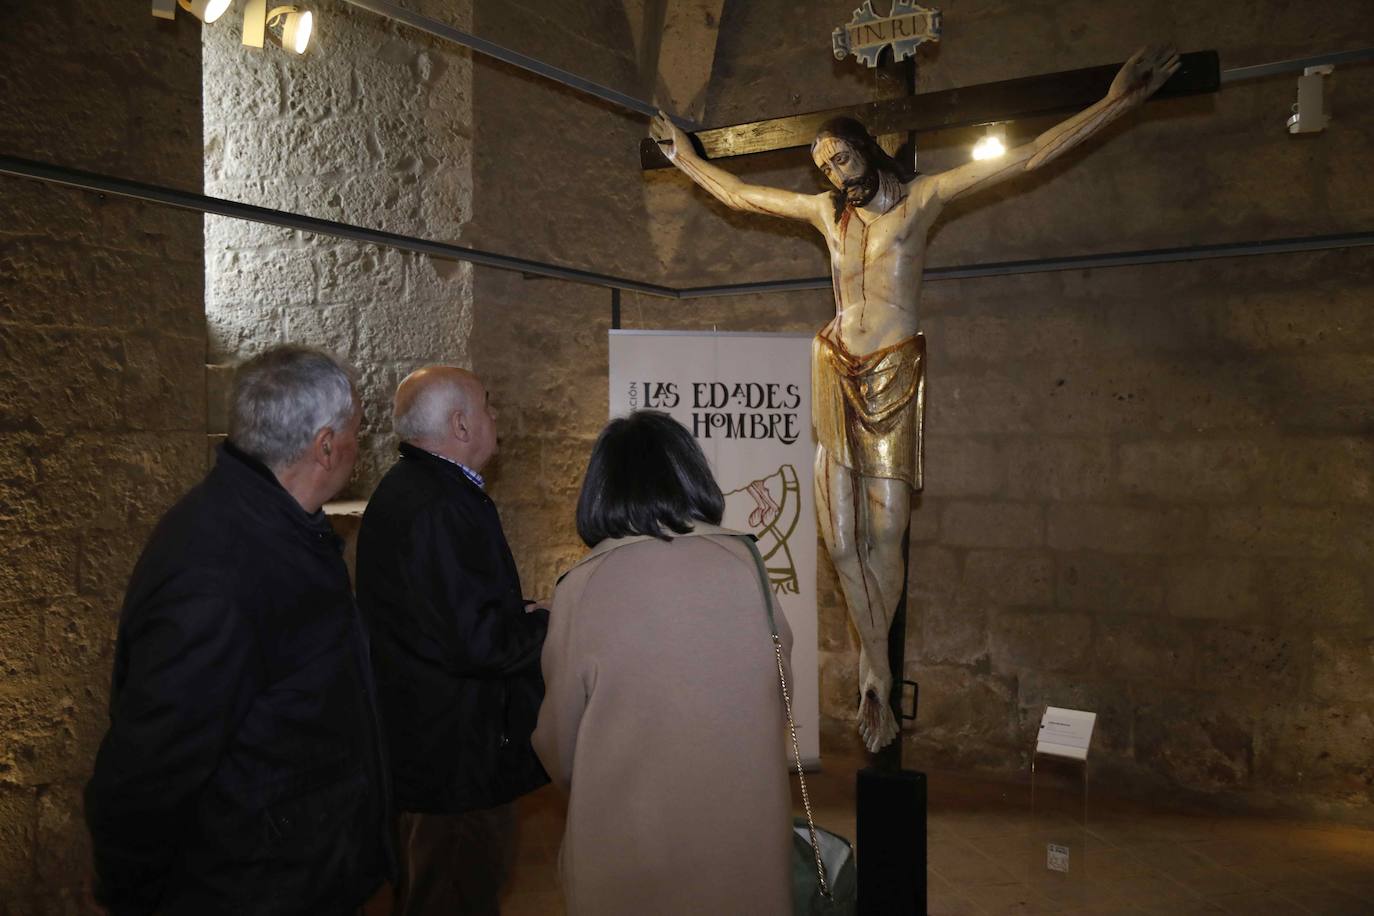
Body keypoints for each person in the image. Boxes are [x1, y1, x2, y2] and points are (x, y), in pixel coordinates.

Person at [651, 46, 1181, 751]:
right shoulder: (824, 215)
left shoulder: (922, 202)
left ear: (866, 150)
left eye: (840, 160)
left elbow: (1023, 160)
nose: (833, 176)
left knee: (888, 529)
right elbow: (745, 197)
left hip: (895, 373)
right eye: (824, 168)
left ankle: (875, 667)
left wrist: (1116, 103)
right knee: (840, 541)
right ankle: (879, 669)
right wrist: (685, 159)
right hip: (835, 365)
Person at [84, 345, 391, 915]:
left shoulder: (278, 525)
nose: (360, 444)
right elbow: (149, 770)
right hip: (250, 887)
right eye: (356, 430)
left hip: (298, 872)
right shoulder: (219, 570)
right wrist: (127, 896)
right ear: (325, 446)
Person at [533, 410, 794, 915]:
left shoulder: (582, 587)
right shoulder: (749, 566)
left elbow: (560, 747)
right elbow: (779, 697)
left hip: (630, 853)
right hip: (743, 847)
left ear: (601, 490)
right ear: (693, 474)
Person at [355, 366, 549, 916]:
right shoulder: (438, 505)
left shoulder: (415, 489)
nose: (495, 418)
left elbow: (441, 611)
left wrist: (515, 610)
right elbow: (477, 643)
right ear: (461, 425)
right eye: (487, 407)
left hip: (435, 746)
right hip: (453, 759)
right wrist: (551, 623)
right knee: (456, 894)